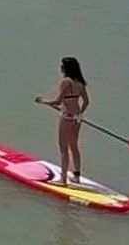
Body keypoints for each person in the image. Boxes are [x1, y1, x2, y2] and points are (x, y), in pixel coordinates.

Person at [35, 56, 89, 184]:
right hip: (76, 118)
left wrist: (42, 101)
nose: (60, 67)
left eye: (62, 65)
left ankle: (63, 178)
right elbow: (86, 101)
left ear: (66, 68)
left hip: (66, 117)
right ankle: (76, 176)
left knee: (63, 149)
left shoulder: (66, 82)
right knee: (74, 146)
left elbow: (58, 101)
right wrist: (80, 113)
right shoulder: (80, 83)